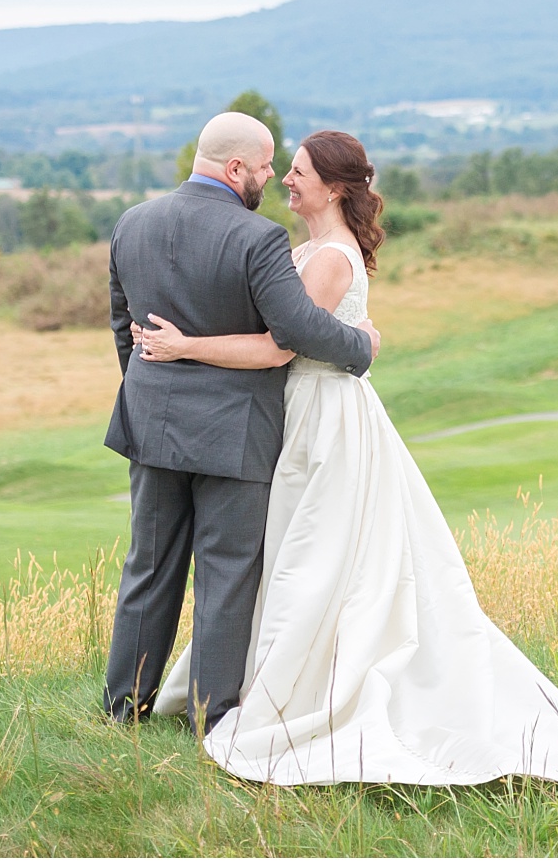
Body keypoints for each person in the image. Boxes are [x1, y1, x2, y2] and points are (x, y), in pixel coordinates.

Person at [141, 130, 558, 787]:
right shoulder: (307, 249)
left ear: (334, 187)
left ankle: (304, 695)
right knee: (295, 554)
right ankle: (264, 683)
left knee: (317, 557)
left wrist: (184, 346)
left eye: (300, 171)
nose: (285, 179)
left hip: (325, 423)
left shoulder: (330, 259)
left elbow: (279, 348)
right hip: (303, 413)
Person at [101, 112, 381, 732]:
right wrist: (362, 346)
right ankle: (211, 718)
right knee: (226, 575)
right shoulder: (257, 239)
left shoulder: (132, 223)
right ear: (234, 168)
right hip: (237, 432)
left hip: (153, 426)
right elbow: (296, 331)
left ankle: (125, 707)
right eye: (260, 168)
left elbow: (124, 328)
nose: (269, 178)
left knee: (148, 565)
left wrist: (151, 392)